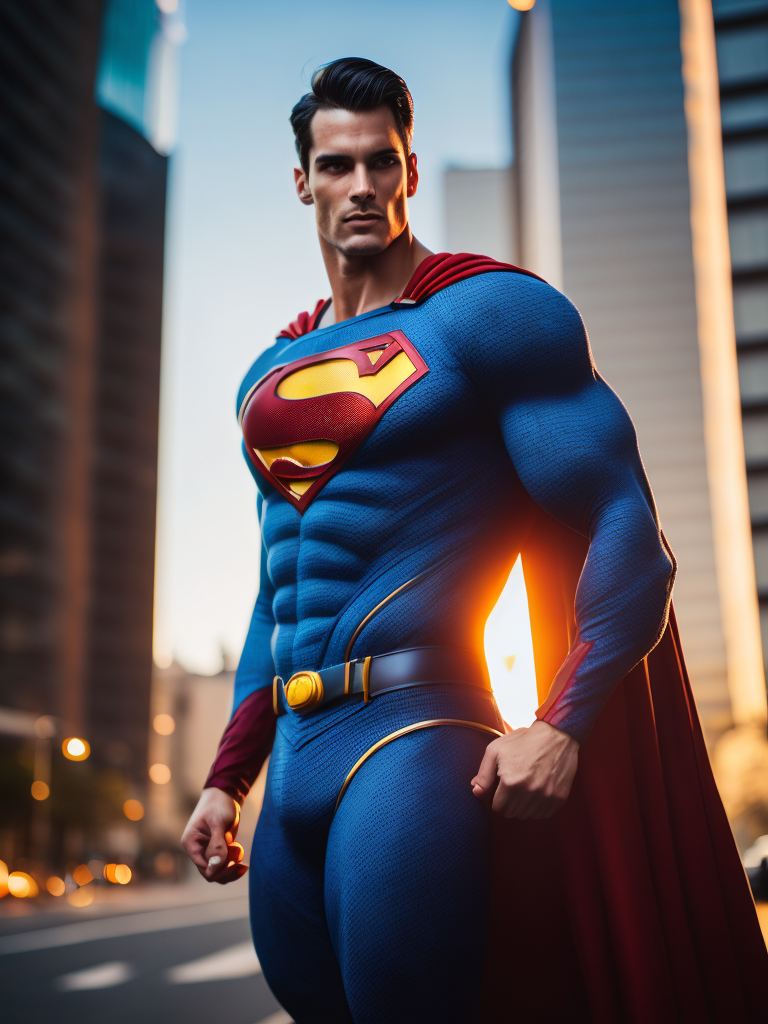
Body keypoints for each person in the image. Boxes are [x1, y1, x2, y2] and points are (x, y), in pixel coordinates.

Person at [182, 58, 768, 1024]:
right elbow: (273, 594)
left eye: (382, 163)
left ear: (410, 172)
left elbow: (628, 529)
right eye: (336, 165)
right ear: (303, 181)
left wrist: (563, 722)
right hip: (292, 760)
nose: (361, 186)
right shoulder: (265, 375)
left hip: (415, 735)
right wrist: (224, 779)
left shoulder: (489, 318)